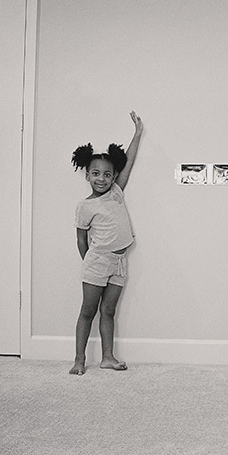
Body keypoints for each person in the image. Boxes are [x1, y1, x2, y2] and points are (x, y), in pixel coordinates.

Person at [69, 112, 144, 375]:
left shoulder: (115, 193)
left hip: (119, 263)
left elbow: (129, 163)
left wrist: (136, 134)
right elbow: (81, 238)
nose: (102, 178)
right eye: (96, 174)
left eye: (107, 174)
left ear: (113, 177)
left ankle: (107, 357)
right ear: (87, 175)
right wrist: (91, 263)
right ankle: (79, 359)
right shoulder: (85, 206)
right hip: (98, 262)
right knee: (88, 311)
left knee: (108, 311)